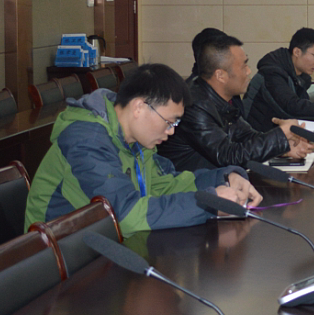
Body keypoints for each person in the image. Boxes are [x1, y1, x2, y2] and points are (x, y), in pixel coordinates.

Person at [25, 63, 262, 237]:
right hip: (58, 259)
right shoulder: (87, 140)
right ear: (139, 107)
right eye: (169, 122)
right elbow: (125, 215)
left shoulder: (133, 139)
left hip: (99, 245)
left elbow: (163, 185)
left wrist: (225, 177)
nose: (171, 131)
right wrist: (208, 203)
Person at [159, 32, 314, 174]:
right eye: (243, 66)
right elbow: (228, 156)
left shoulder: (223, 98)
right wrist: (280, 135)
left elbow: (246, 136)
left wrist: (284, 146)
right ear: (220, 75)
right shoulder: (195, 106)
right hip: (192, 187)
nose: (249, 71)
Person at [246, 27, 314, 131]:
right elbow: (293, 109)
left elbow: (303, 106)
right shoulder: (272, 73)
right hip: (256, 137)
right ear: (297, 52)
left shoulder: (299, 75)